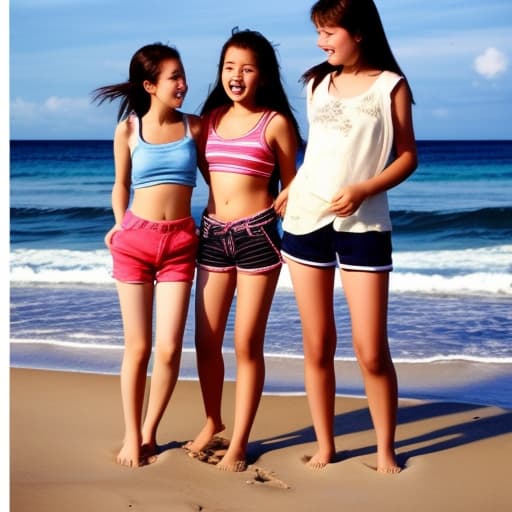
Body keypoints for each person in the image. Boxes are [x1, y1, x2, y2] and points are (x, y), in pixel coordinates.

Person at [281, 0, 418, 473]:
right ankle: (326, 445)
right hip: (304, 221)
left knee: (370, 348)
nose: (321, 42)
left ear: (358, 32)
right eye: (318, 32)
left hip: (364, 226)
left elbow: (406, 157)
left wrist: (363, 189)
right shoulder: (316, 82)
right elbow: (318, 152)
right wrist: (292, 187)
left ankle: (385, 449)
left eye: (328, 32)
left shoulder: (390, 86)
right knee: (317, 343)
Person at [184, 28, 302, 472]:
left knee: (246, 343)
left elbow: (293, 180)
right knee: (205, 339)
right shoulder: (208, 121)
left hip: (258, 237)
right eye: (230, 67)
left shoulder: (275, 123)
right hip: (212, 234)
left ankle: (240, 441)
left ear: (263, 75)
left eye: (247, 68)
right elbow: (201, 171)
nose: (237, 75)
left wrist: (290, 195)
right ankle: (213, 420)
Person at [92, 43, 201, 467]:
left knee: (170, 349)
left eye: (183, 75)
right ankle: (129, 435)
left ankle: (149, 431)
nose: (183, 84)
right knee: (138, 347)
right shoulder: (128, 130)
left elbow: (219, 176)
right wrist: (120, 222)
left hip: (180, 245)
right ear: (150, 85)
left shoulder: (195, 127)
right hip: (135, 243)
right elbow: (120, 184)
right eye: (174, 77)